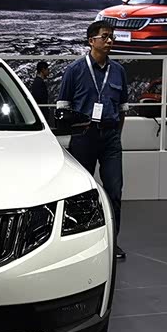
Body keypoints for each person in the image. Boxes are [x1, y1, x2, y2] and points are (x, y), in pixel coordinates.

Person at [57, 21, 128, 260]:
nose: (109, 41)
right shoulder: (75, 70)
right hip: (84, 137)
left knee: (114, 190)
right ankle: (80, 244)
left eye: (111, 37)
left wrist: (115, 135)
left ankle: (112, 241)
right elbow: (63, 108)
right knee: (80, 192)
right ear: (91, 41)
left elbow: (122, 108)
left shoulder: (118, 71)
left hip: (110, 137)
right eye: (105, 37)